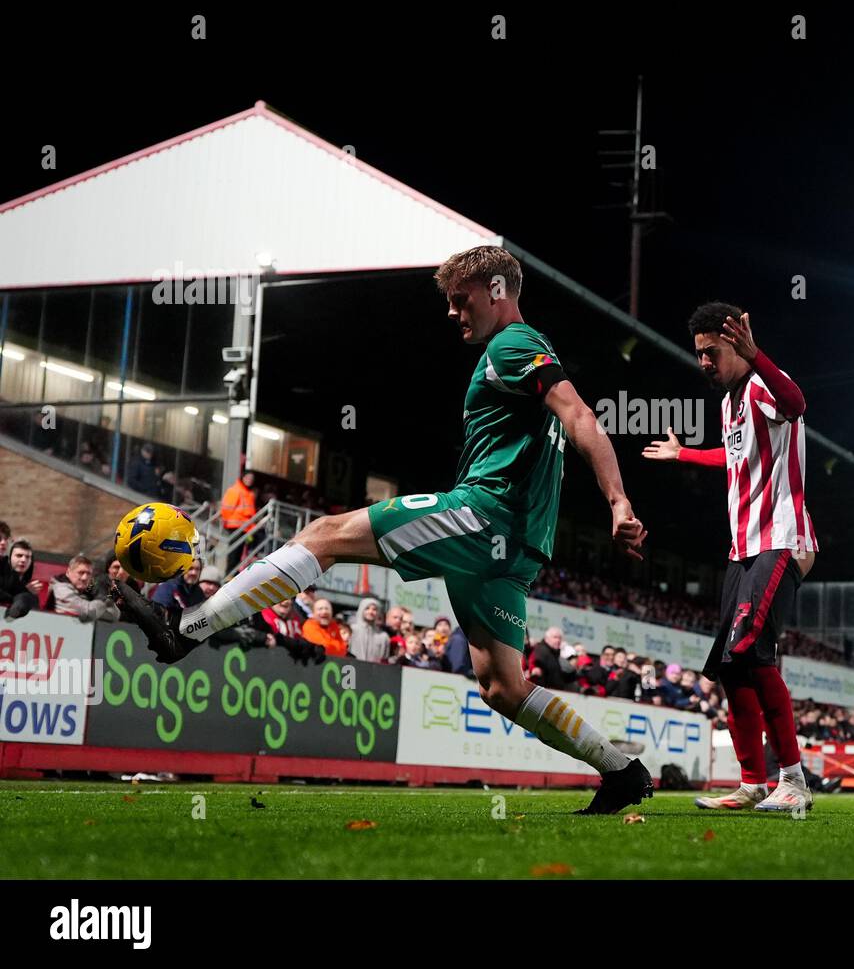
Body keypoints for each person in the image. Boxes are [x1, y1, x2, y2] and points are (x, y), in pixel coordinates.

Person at [110, 245, 652, 815]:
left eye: (459, 299)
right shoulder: (522, 351)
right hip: (515, 544)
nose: (451, 312)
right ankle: (622, 772)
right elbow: (570, 422)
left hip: (482, 515)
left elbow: (582, 417)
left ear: (496, 290)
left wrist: (618, 501)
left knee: (324, 534)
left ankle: (185, 628)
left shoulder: (514, 344)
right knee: (503, 687)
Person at [644, 303, 817, 813]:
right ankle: (752, 783)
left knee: (750, 654)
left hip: (779, 539)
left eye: (712, 352)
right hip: (743, 549)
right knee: (729, 665)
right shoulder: (729, 404)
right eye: (698, 353)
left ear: (736, 344)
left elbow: (797, 402)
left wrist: (756, 354)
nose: (704, 362)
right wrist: (685, 455)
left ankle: (794, 781)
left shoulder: (766, 383)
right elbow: (734, 455)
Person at [50, 553, 121, 624]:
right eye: (81, 573)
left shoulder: (86, 592)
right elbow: (88, 613)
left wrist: (108, 598)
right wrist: (102, 599)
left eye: (88, 573)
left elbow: (113, 616)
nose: (85, 578)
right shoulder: (60, 589)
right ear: (68, 572)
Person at [219, 470, 258, 572]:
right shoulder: (235, 490)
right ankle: (229, 574)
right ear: (243, 477)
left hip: (245, 528)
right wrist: (227, 522)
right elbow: (226, 508)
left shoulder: (249, 493)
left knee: (239, 555)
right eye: (248, 478)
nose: (249, 481)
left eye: (251, 479)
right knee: (233, 554)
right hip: (235, 527)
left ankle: (233, 573)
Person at [1, 538, 44, 619]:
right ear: (9, 558)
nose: (23, 560)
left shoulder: (29, 589)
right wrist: (24, 590)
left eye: (28, 557)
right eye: (19, 556)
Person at [528, 626, 574, 691]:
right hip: (545, 691)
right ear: (546, 638)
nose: (558, 640)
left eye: (560, 638)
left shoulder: (555, 654)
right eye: (555, 637)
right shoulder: (541, 651)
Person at [348, 597, 391, 663]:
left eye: (374, 609)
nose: (371, 612)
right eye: (367, 608)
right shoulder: (352, 630)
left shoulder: (383, 637)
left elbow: (384, 659)